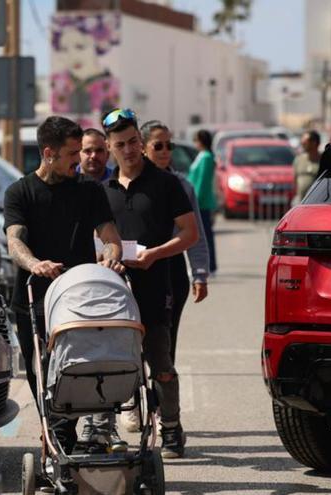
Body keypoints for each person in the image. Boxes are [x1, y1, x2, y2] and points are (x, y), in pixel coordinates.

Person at [4, 115, 127, 455]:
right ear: (48, 153)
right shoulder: (20, 192)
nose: (79, 160)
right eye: (72, 153)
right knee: (39, 374)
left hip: (78, 299)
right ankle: (56, 434)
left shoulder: (89, 191)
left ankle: (60, 438)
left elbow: (109, 235)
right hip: (33, 298)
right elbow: (14, 240)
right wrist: (34, 264)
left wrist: (111, 256)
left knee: (76, 370)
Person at [101, 108, 199, 458]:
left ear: (140, 143)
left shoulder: (165, 183)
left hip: (157, 286)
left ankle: (171, 428)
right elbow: (94, 240)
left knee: (161, 364)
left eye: (133, 142)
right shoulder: (103, 190)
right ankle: (104, 429)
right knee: (110, 364)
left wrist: (155, 254)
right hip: (113, 294)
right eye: (120, 144)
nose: (128, 150)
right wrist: (103, 259)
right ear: (110, 148)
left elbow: (191, 234)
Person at [140, 120, 210, 351]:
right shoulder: (128, 184)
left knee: (167, 340)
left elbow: (194, 232)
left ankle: (162, 385)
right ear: (143, 147)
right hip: (136, 267)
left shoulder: (182, 185)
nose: (165, 152)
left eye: (169, 146)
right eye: (158, 146)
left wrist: (199, 275)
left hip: (172, 269)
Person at [188, 129, 218, 275]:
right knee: (202, 234)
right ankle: (208, 265)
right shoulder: (202, 156)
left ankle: (210, 265)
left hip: (201, 203)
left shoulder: (206, 157)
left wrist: (195, 200)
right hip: (199, 201)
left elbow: (202, 182)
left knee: (205, 236)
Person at [293, 130, 322, 204]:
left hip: (317, 203)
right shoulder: (299, 159)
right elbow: (295, 180)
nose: (302, 144)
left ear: (314, 143)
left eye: (305, 141)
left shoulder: (323, 160)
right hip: (300, 202)